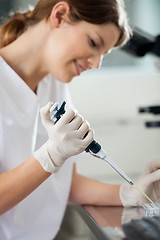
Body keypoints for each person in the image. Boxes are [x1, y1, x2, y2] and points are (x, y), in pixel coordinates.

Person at [0, 0, 160, 239]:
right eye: (93, 43)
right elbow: (48, 165)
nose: (95, 64)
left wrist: (128, 193)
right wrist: (49, 156)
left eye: (103, 54)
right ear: (60, 15)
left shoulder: (55, 82)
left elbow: (63, 183)